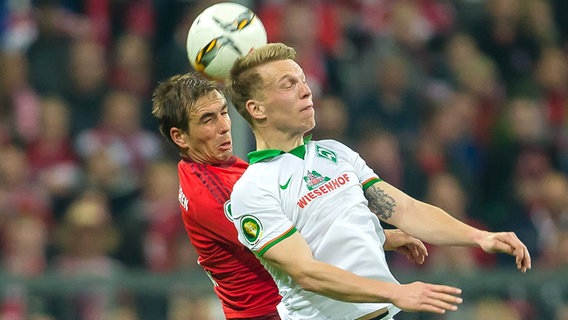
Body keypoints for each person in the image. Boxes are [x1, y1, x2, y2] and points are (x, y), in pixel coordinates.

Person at [224, 42, 532, 320]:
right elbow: (307, 273)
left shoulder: (336, 153)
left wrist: (479, 237)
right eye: (288, 85)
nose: (306, 91)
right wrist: (396, 292)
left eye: (303, 80)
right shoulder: (253, 189)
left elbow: (405, 209)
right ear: (256, 109)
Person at [150, 72, 430, 320]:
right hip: (267, 313)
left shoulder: (222, 168)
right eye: (208, 120)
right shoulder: (212, 192)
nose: (224, 125)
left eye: (223, 112)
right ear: (180, 137)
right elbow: (292, 243)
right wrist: (383, 238)